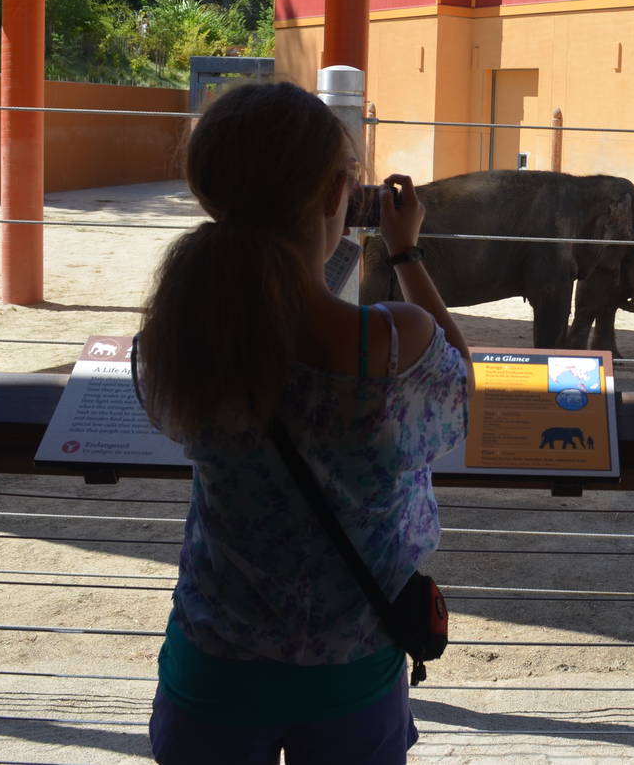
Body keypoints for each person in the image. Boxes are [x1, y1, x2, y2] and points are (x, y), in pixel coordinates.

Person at [135, 82, 470, 764]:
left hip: (215, 661)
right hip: (350, 669)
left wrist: (328, 237)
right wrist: (403, 253)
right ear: (332, 196)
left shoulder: (178, 340)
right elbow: (460, 388)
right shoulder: (392, 342)